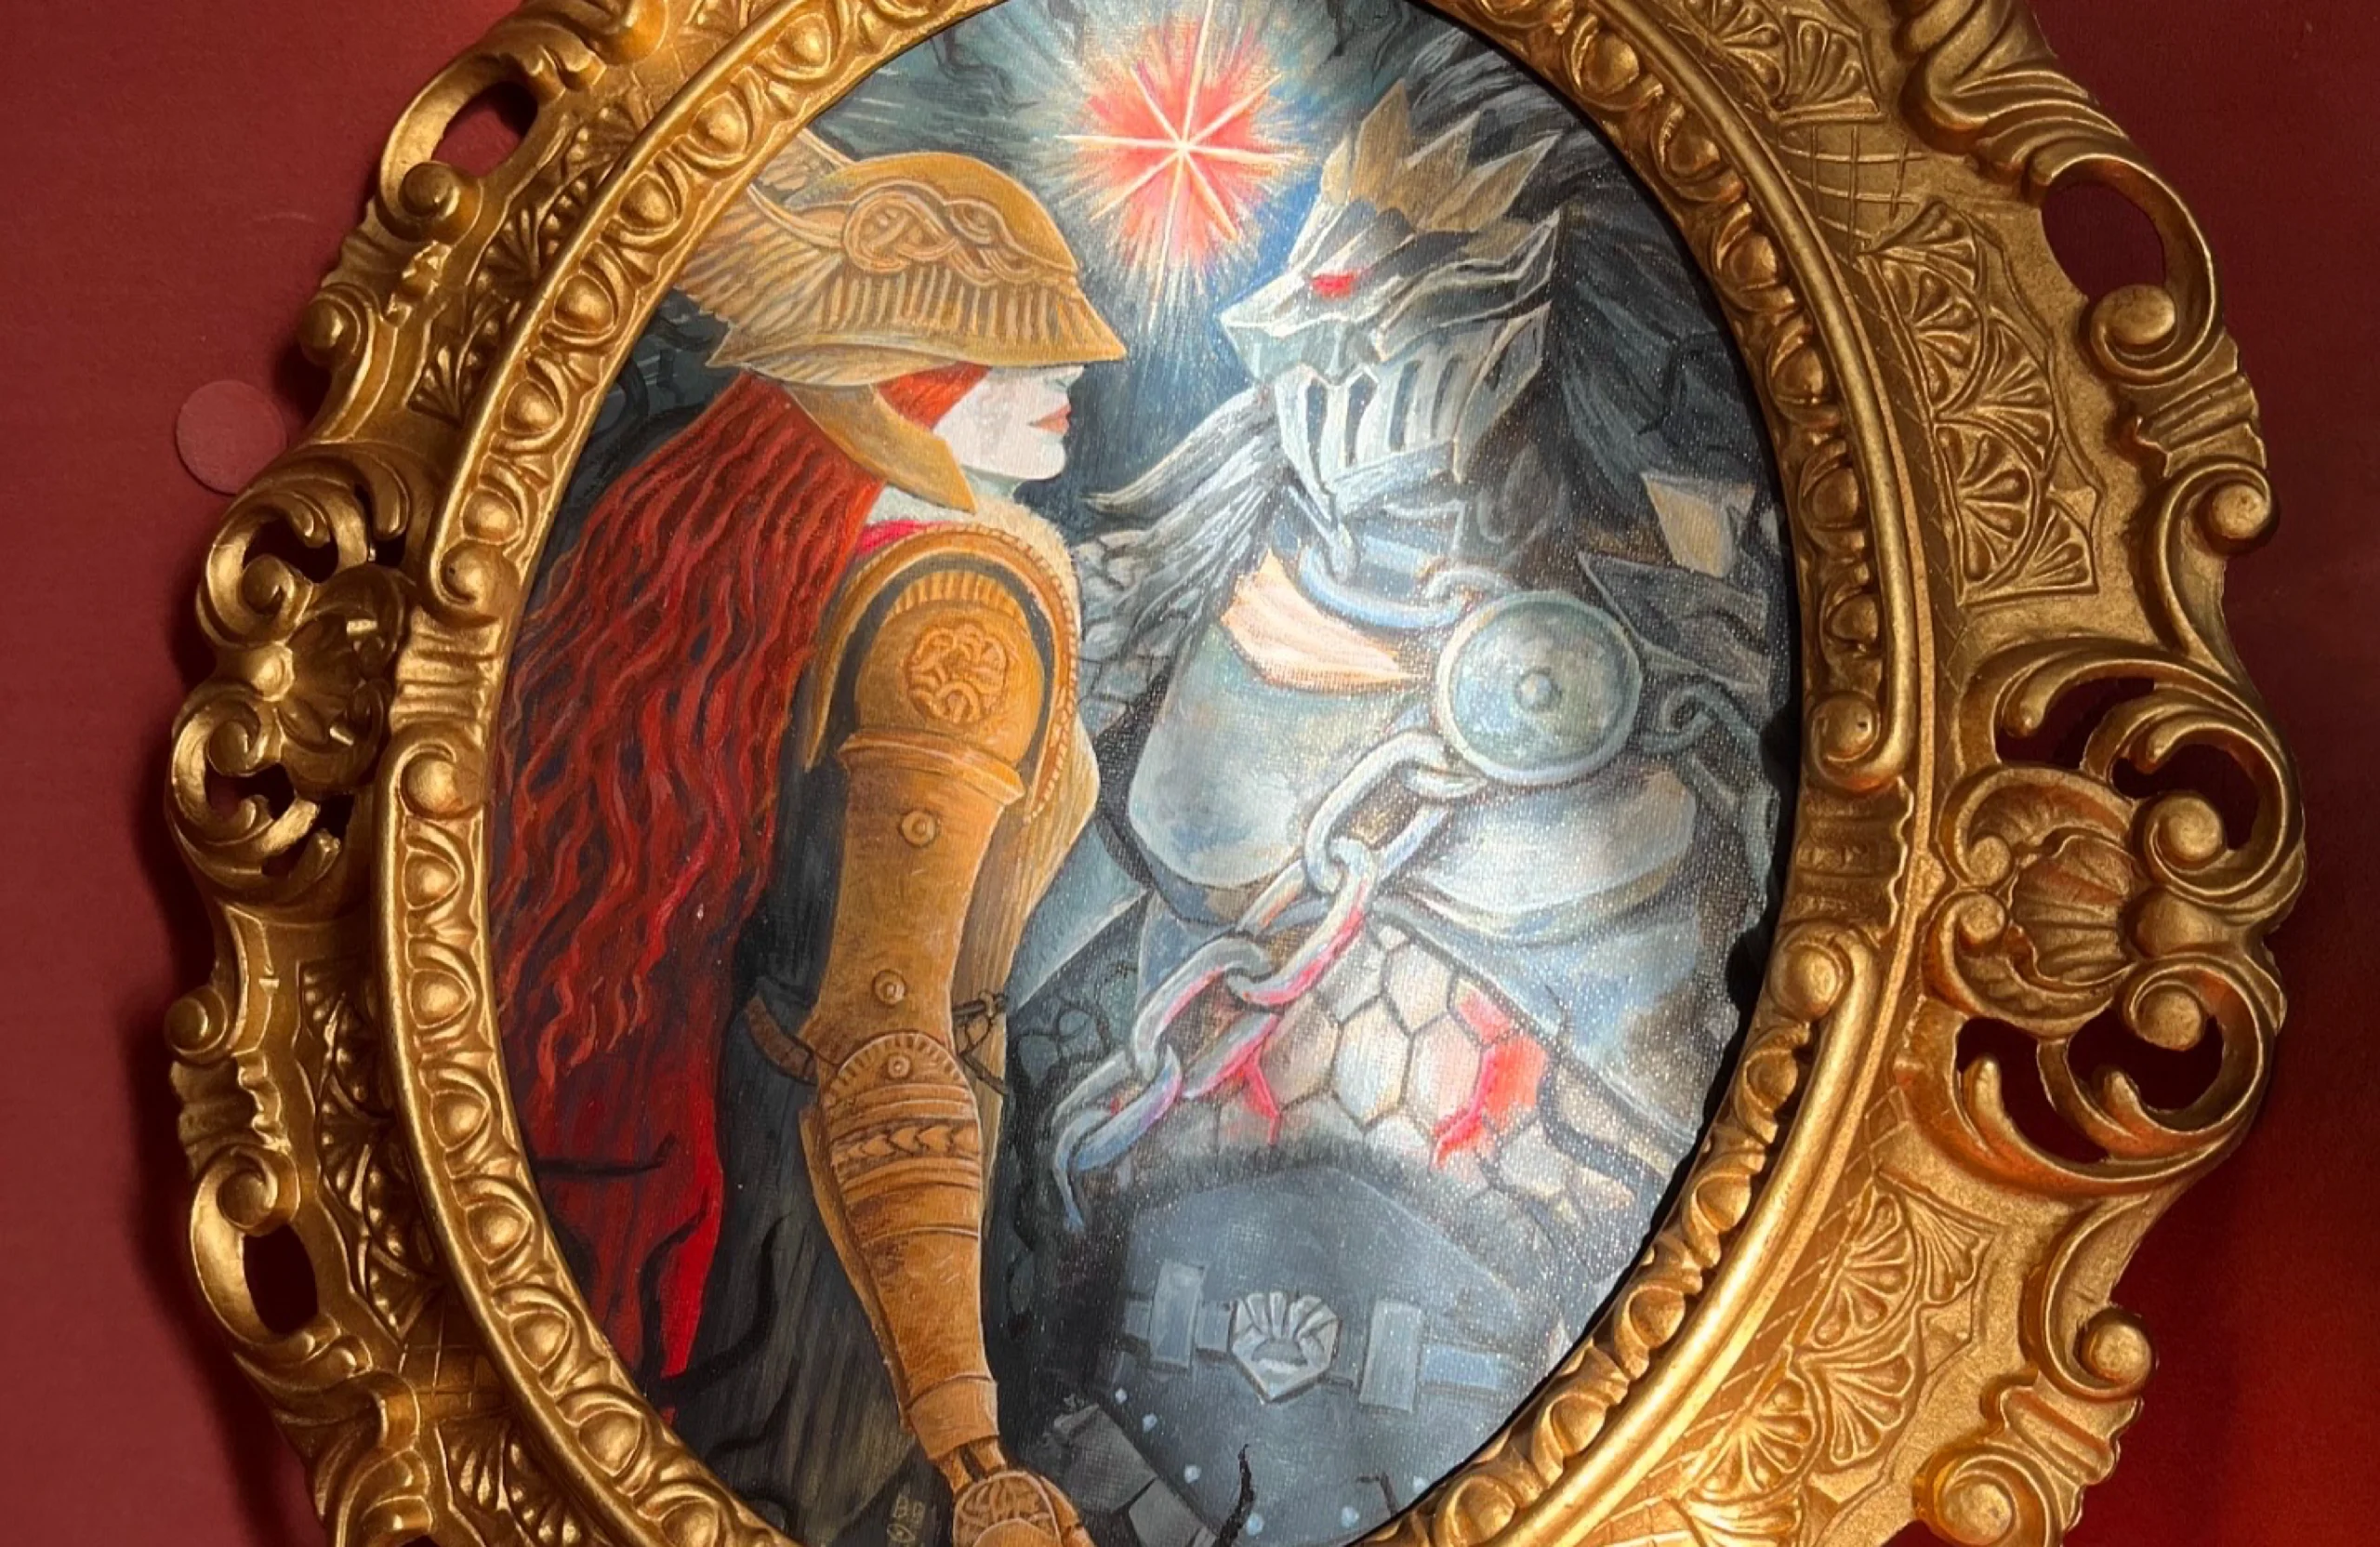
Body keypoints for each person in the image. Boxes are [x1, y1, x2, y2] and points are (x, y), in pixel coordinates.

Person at [489, 138, 1125, 1547]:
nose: (1072, 377)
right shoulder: (956, 605)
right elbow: (889, 1036)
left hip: (775, 1142)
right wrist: (969, 1447)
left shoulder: (795, 542)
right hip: (869, 1221)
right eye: (1010, 350)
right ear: (901, 378)